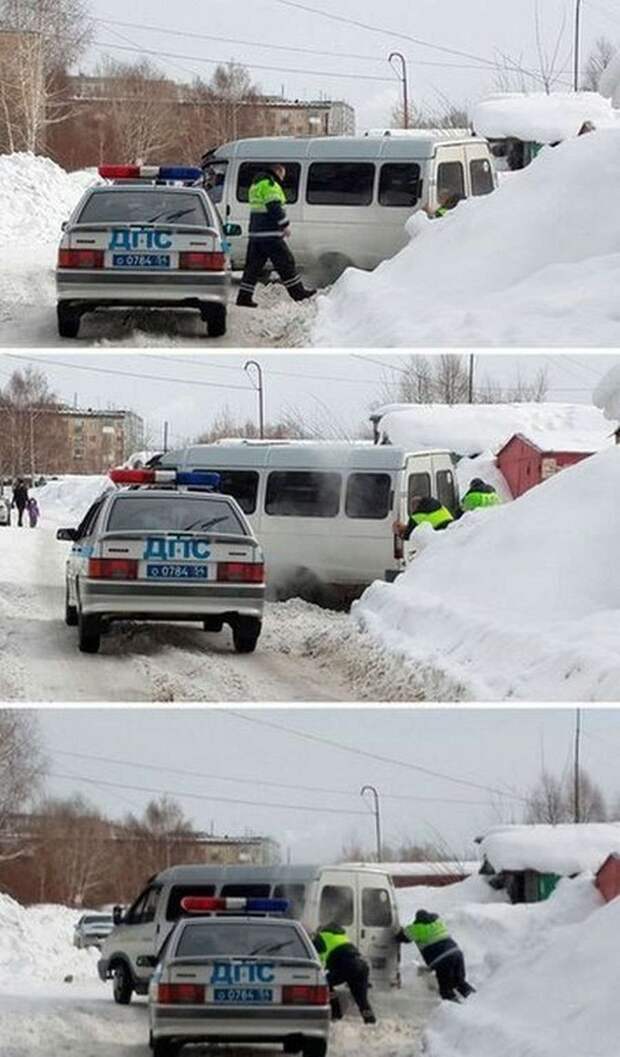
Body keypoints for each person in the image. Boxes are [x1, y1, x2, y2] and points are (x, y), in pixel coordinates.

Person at [237, 164, 315, 308]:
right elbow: (274, 207)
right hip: (270, 233)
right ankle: (298, 293)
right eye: (283, 174)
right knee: (286, 262)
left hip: (256, 234)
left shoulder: (256, 184)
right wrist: (284, 225)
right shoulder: (270, 184)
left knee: (253, 267)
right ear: (278, 172)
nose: (283, 178)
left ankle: (244, 297)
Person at [395, 910, 475, 1003]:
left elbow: (401, 937)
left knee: (446, 989)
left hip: (442, 960)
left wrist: (401, 930)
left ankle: (454, 1009)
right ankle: (476, 1001)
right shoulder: (438, 923)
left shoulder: (417, 928)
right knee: (460, 982)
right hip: (457, 953)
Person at [313, 922, 376, 1024]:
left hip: (348, 966)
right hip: (362, 966)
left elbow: (318, 960)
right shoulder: (342, 936)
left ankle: (336, 1015)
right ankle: (371, 1023)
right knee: (362, 1001)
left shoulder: (321, 938)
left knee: (324, 982)